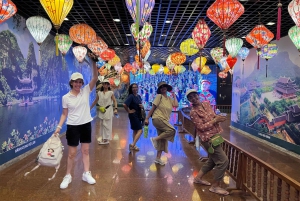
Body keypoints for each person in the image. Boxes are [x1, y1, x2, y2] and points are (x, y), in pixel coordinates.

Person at [54, 52, 98, 189]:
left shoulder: (85, 91)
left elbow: (95, 78)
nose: (78, 84)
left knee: (85, 150)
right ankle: (68, 175)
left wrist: (93, 62)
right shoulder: (66, 98)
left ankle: (86, 173)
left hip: (86, 125)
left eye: (80, 82)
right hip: (73, 126)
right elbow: (64, 114)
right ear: (71, 83)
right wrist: (59, 127)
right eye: (75, 82)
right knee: (72, 153)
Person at [186, 89, 229, 196]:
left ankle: (198, 178)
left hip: (216, 135)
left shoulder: (206, 103)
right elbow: (200, 127)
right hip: (208, 139)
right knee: (223, 161)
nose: (193, 98)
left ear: (198, 95)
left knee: (212, 160)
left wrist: (218, 118)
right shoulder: (193, 112)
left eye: (194, 95)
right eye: (190, 97)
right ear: (189, 100)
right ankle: (215, 186)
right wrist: (215, 120)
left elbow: (212, 115)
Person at [144, 81, 178, 165]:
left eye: (164, 86)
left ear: (167, 88)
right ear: (159, 89)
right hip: (158, 118)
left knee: (163, 140)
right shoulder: (159, 96)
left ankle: (157, 158)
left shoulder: (169, 99)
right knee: (172, 130)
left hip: (164, 120)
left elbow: (176, 105)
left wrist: (174, 96)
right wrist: (147, 118)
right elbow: (153, 108)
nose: (163, 88)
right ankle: (154, 139)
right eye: (161, 87)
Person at [90, 79, 118, 145]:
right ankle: (103, 138)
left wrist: (115, 109)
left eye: (107, 84)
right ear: (102, 84)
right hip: (102, 110)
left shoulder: (110, 93)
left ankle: (106, 139)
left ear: (108, 85)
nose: (105, 85)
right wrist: (90, 108)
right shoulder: (99, 93)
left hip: (108, 110)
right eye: (104, 84)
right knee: (102, 124)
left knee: (107, 125)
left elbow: (114, 101)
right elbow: (95, 101)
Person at [123, 83, 144, 151]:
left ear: (138, 88)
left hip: (138, 115)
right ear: (131, 89)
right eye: (133, 87)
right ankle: (133, 144)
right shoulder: (131, 96)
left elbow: (140, 104)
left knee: (135, 130)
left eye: (136, 87)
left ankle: (133, 145)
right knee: (140, 130)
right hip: (133, 115)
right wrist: (128, 111)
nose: (135, 88)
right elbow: (124, 104)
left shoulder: (138, 96)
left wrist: (142, 106)